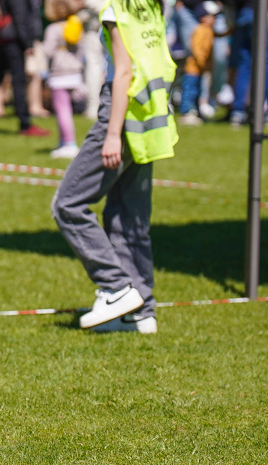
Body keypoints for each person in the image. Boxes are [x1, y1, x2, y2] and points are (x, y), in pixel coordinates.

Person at [51, 0, 178, 334]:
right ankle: (141, 311)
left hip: (122, 115)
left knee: (67, 204)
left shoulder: (115, 9)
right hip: (149, 115)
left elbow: (124, 72)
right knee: (128, 217)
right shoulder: (150, 6)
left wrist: (111, 134)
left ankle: (116, 286)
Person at [0, 0, 50, 136]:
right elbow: (20, 15)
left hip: (2, 37)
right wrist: (27, 43)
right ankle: (25, 124)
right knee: (18, 81)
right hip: (12, 39)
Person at [42, 0, 85, 158]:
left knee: (62, 110)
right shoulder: (75, 26)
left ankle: (69, 143)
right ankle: (64, 140)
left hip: (59, 74)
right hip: (75, 72)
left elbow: (47, 51)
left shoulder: (53, 29)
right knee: (68, 109)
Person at [178, 1, 219, 126]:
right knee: (190, 89)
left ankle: (196, 111)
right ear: (203, 17)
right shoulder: (200, 30)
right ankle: (187, 112)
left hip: (201, 69)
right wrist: (202, 62)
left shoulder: (209, 30)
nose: (214, 20)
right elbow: (196, 48)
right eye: (212, 17)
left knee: (198, 91)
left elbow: (218, 35)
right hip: (194, 68)